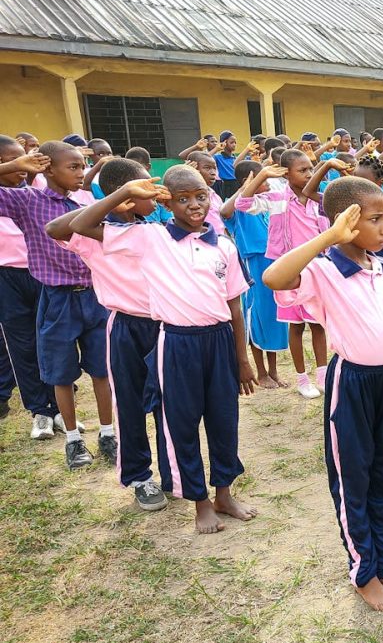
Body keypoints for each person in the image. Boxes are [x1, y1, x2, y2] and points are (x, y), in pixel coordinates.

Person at [68, 166, 257, 532]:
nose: (194, 205)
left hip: (218, 341)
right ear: (166, 202)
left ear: (210, 194)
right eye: (182, 199)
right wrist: (122, 192)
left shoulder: (224, 245)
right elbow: (81, 226)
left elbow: (234, 305)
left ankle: (224, 492)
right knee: (180, 424)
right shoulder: (150, 237)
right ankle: (199, 500)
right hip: (176, 341)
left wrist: (242, 358)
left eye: (200, 195)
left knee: (224, 420)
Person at [263, 177, 383, 611]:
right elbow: (275, 277)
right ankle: (363, 571)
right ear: (346, 222)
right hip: (352, 384)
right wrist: (328, 237)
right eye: (375, 219)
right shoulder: (323, 269)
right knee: (355, 478)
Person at [45, 158, 167, 510]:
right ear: (125, 194)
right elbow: (54, 229)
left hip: (164, 324)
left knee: (169, 405)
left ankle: (174, 472)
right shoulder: (91, 233)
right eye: (146, 189)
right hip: (126, 326)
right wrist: (117, 197)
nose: (154, 196)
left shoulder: (153, 226)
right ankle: (140, 477)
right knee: (129, 405)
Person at [0, 141, 113, 469]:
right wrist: (15, 164)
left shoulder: (85, 200)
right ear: (47, 169)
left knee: (103, 369)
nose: (82, 173)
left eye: (82, 166)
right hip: (57, 299)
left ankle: (108, 434)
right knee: (61, 373)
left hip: (94, 295)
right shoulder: (27, 201)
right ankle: (74, 440)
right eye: (73, 167)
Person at [236, 149, 330, 398]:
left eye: (311, 169)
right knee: (296, 326)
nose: (309, 174)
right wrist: (262, 174)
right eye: (302, 170)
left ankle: (323, 375)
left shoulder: (318, 201)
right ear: (286, 174)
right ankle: (302, 379)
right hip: (289, 273)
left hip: (316, 270)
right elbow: (242, 204)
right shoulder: (278, 199)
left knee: (318, 325)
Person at [0, 135, 59, 439]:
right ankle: (40, 411)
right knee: (21, 345)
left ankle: (58, 406)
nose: (22, 167)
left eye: (24, 158)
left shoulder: (34, 192)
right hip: (6, 278)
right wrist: (15, 163)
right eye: (12, 161)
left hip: (40, 273)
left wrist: (29, 169)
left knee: (48, 341)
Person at [221, 160, 290, 388]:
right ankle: (260, 372)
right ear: (248, 182)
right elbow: (225, 211)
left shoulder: (267, 202)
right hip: (254, 263)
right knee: (256, 315)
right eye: (264, 179)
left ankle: (273, 371)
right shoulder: (240, 206)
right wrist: (247, 188)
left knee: (274, 316)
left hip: (274, 261)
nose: (269, 183)